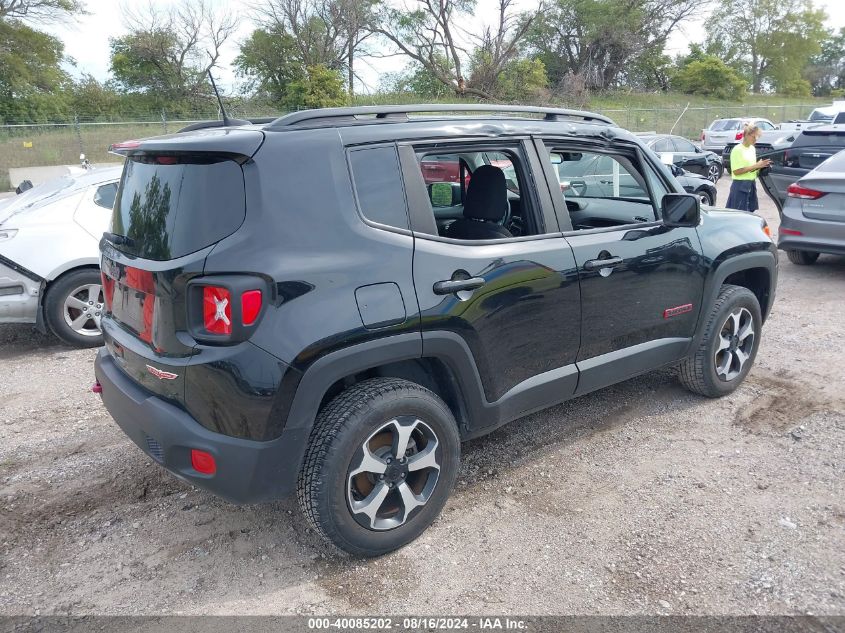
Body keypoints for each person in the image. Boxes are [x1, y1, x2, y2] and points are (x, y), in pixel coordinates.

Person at [725, 125, 772, 212]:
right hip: (740, 185)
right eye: (753, 137)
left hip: (751, 184)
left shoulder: (752, 149)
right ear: (746, 135)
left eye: (757, 137)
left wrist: (761, 166)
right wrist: (756, 165)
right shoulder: (737, 150)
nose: (755, 139)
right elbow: (736, 171)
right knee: (738, 214)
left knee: (750, 212)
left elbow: (751, 169)